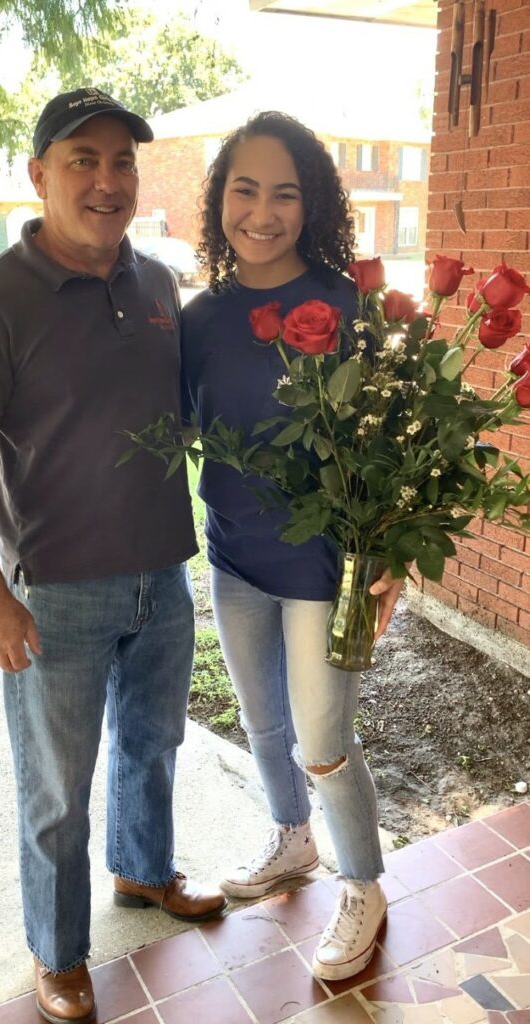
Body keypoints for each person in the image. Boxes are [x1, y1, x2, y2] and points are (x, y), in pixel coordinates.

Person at [0, 87, 225, 1024]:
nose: (106, 181)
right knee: (56, 791)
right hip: (54, 592)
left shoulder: (154, 285)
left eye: (122, 162)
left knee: (153, 747)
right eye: (83, 160)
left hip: (162, 572)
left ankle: (144, 874)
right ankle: (57, 954)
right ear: (38, 175)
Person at [181, 111, 405, 982]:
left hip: (322, 569)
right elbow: (180, 424)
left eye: (285, 192)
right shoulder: (200, 317)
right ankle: (290, 841)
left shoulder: (346, 306)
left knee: (322, 740)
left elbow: (387, 438)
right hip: (232, 556)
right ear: (220, 199)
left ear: (310, 205)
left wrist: (389, 550)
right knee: (262, 723)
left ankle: (363, 883)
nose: (262, 211)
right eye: (245, 188)